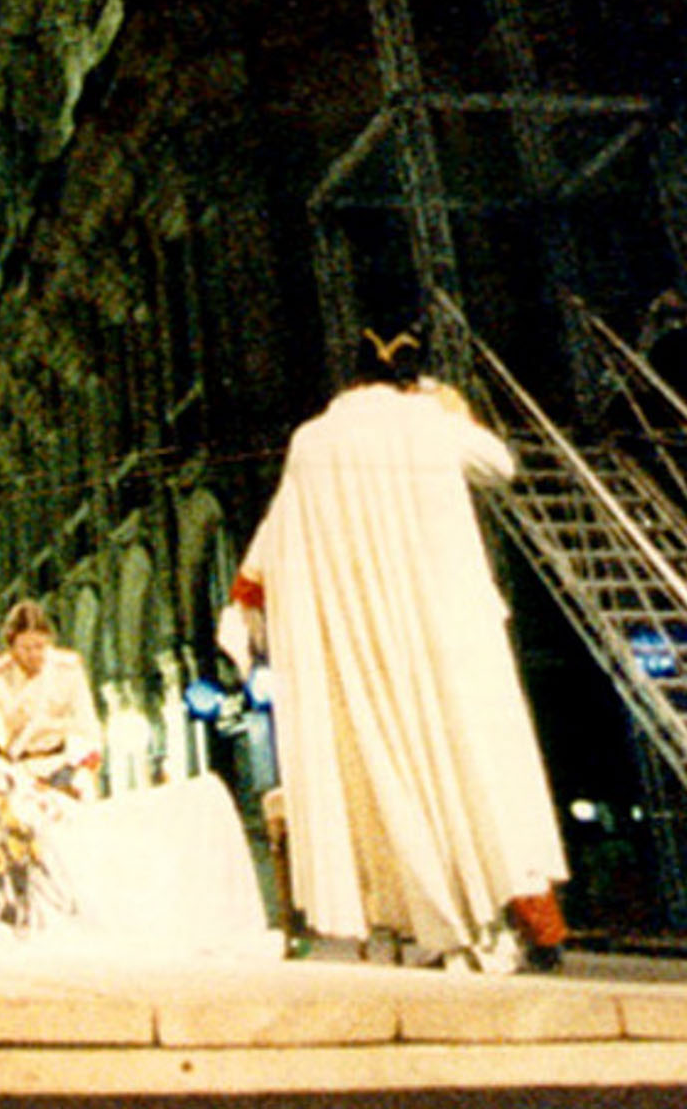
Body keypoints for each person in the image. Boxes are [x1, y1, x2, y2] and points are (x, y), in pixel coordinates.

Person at [228, 326, 568, 972]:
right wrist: (456, 412)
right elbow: (500, 466)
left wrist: (245, 592)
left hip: (364, 642)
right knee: (481, 768)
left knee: (391, 778)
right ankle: (527, 922)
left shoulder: (312, 441)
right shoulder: (427, 420)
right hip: (446, 627)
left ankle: (431, 925)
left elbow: (278, 531)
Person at [0, 599, 104, 798]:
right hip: (18, 771)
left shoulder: (67, 670)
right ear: (12, 648)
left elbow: (87, 726)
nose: (34, 654)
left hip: (63, 766)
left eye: (39, 646)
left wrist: (77, 768)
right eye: (26, 648)